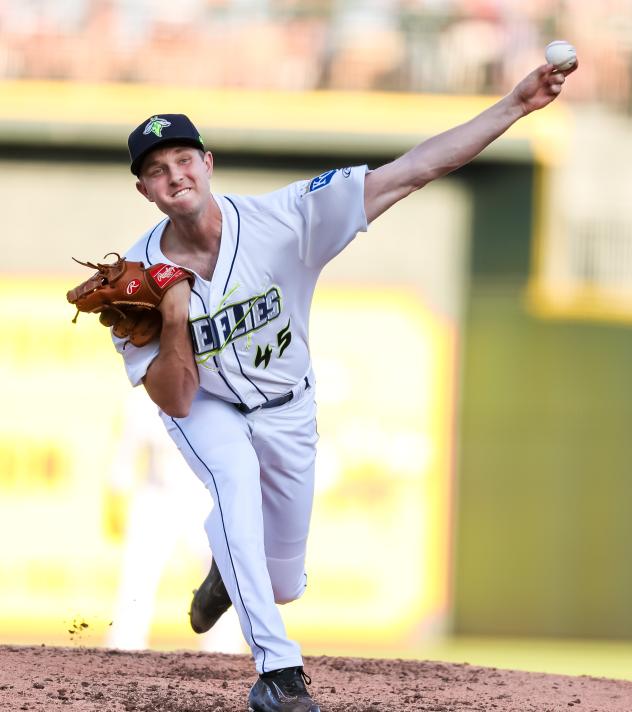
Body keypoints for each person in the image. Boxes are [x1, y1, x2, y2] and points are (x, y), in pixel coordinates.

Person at [113, 62, 575, 712]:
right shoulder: (133, 280)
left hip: (288, 406)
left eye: (183, 159)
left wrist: (515, 106)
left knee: (281, 583)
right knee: (235, 482)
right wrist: (172, 319)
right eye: (158, 170)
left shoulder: (286, 218)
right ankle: (279, 676)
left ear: (208, 162)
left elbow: (414, 169)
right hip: (207, 403)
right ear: (146, 192)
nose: (175, 175)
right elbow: (175, 399)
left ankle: (229, 559)